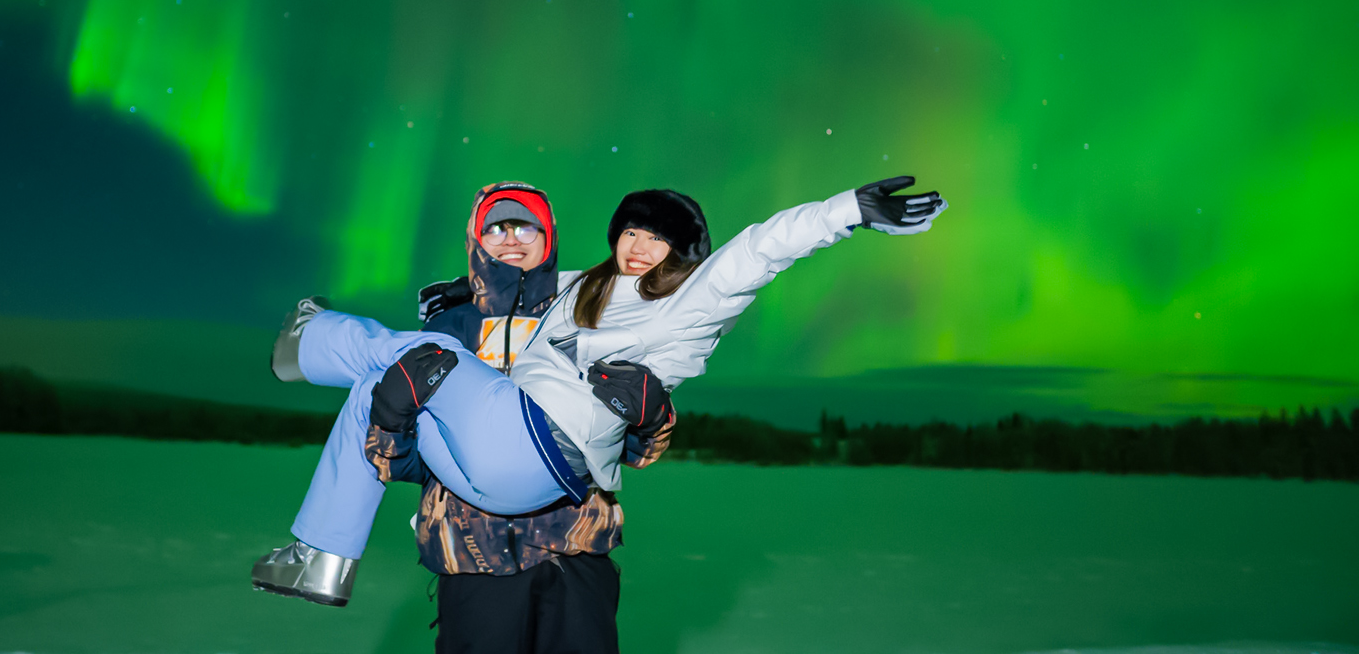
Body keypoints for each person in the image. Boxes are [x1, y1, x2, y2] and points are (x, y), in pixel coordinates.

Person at [254, 176, 946, 608]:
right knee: (383, 380)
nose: (640, 247)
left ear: (688, 256)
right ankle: (320, 555)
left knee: (420, 354)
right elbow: (537, 280)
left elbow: (758, 251)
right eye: (632, 232)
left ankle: (309, 340)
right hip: (490, 480)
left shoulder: (692, 306)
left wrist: (846, 211)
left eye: (660, 239)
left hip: (541, 454)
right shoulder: (590, 290)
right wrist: (470, 288)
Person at [258, 181, 673, 654]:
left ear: (549, 236)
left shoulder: (589, 315)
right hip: (475, 560)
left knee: (418, 359)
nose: (513, 238)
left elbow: (630, 451)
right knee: (419, 363)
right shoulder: (448, 327)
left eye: (527, 226)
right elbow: (404, 462)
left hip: (575, 554)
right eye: (497, 227)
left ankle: (312, 344)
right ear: (475, 239)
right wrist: (392, 420)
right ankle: (312, 345)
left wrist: (650, 414)